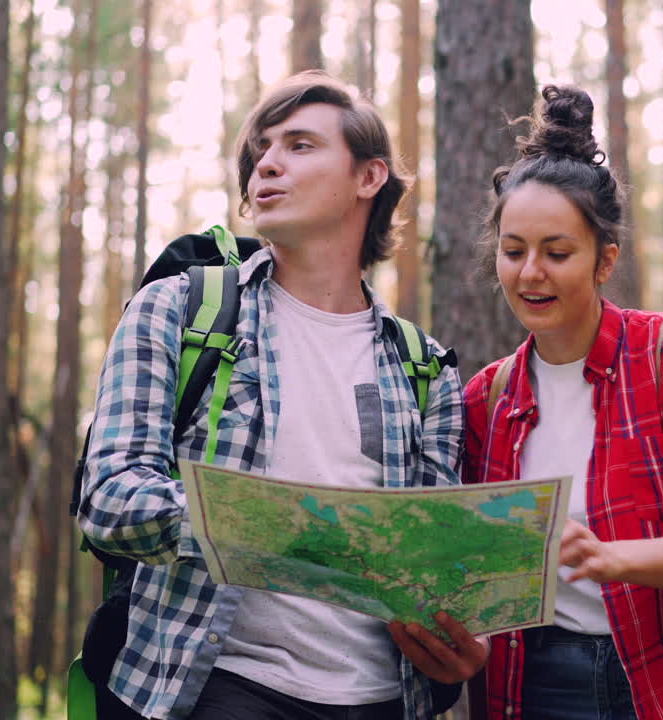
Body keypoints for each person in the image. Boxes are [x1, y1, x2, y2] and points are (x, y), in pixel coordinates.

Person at [77, 71, 485, 720]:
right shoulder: (179, 310)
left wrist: (460, 643)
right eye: (260, 151)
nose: (265, 164)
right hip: (211, 687)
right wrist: (276, 530)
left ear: (368, 177)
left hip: (384, 698)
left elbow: (426, 563)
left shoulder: (426, 368)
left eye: (299, 145)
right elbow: (110, 498)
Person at [461, 84, 663, 720]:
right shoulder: (486, 399)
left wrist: (615, 558)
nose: (530, 274)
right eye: (513, 251)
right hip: (536, 685)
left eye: (557, 253)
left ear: (604, 261)